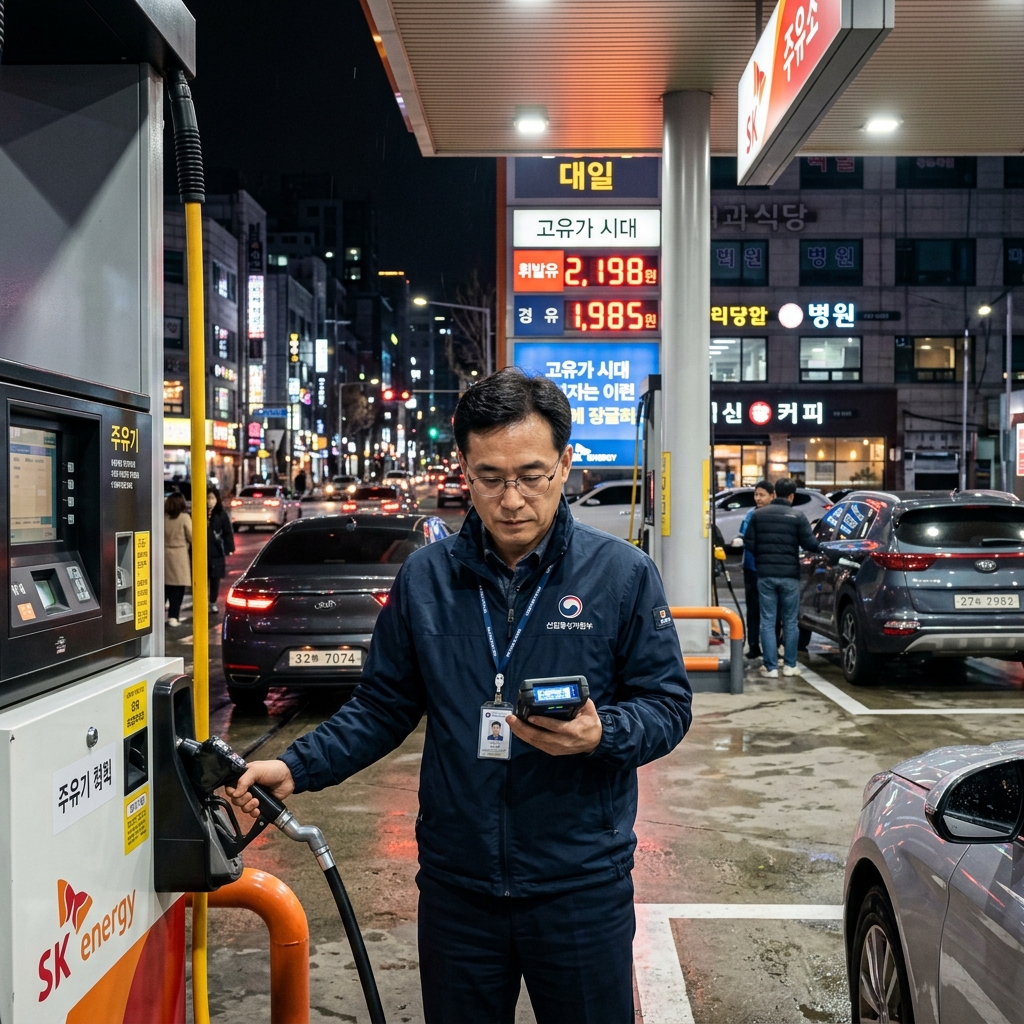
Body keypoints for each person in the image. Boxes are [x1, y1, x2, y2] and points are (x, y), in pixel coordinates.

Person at [227, 367, 691, 1024]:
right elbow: (382, 706)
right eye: (490, 478)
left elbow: (668, 705)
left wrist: (603, 733)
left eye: (530, 475)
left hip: (581, 887)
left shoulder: (621, 576)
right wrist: (295, 766)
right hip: (459, 891)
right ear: (464, 471)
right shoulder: (426, 578)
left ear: (564, 465)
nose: (511, 499)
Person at [743, 477, 820, 679]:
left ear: (774, 493)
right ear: (792, 496)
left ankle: (770, 668)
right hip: (789, 577)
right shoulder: (797, 516)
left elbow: (749, 543)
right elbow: (811, 544)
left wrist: (762, 555)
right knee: (790, 622)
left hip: (765, 575)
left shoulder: (758, 515)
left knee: (767, 621)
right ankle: (789, 665)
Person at [738, 479, 775, 660]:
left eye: (762, 495)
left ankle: (773, 647)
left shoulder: (773, 515)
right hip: (751, 568)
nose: (758, 498)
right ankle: (753, 645)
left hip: (768, 568)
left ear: (772, 496)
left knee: (770, 611)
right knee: (753, 609)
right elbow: (743, 536)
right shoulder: (750, 515)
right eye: (756, 495)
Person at [164, 492, 192, 627]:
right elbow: (192, 536)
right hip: (179, 555)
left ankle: (158, 615)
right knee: (177, 589)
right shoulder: (184, 518)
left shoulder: (162, 518)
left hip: (163, 555)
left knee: (164, 588)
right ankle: (173, 616)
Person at [207, 487, 235, 614]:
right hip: (202, 552)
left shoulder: (221, 514)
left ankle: (212, 602)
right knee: (202, 579)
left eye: (212, 498)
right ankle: (201, 601)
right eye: (207, 498)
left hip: (216, 552)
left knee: (215, 579)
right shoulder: (198, 512)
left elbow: (228, 532)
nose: (209, 501)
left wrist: (229, 548)